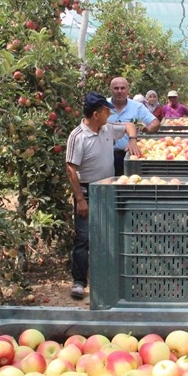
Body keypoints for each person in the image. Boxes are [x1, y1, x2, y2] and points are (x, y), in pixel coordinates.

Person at [65, 92, 141, 300]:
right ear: (96, 114)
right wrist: (80, 199)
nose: (110, 113)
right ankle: (79, 282)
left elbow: (129, 125)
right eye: (107, 111)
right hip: (87, 191)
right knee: (84, 237)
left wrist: (132, 139)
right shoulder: (78, 136)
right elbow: (70, 169)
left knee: (110, 234)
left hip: (108, 190)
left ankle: (110, 279)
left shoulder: (107, 128)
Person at [107, 77, 160, 175]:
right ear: (110, 89)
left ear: (128, 89)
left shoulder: (137, 107)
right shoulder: (103, 106)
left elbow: (155, 123)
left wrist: (147, 129)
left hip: (131, 156)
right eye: (116, 88)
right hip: (105, 157)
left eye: (123, 88)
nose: (119, 91)